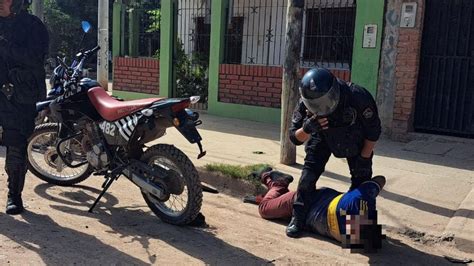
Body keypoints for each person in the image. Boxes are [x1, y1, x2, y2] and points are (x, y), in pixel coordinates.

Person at [286, 68, 382, 237]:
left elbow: (373, 130)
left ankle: (359, 230)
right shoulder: (304, 102)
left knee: (361, 182)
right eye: (315, 105)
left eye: (324, 101)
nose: (321, 107)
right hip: (321, 136)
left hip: (354, 137)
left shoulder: (357, 96)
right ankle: (298, 218)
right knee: (308, 178)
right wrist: (307, 128)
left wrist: (364, 157)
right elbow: (294, 138)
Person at [246, 168, 385, 252]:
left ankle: (276, 194)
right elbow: (380, 179)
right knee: (264, 209)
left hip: (321, 203)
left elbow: (380, 179)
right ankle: (274, 181)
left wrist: (371, 188)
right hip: (305, 200)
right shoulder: (355, 213)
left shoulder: (364, 199)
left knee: (279, 212)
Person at [0, 0, 49, 214]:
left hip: (18, 95)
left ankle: (14, 195)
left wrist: (4, 45)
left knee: (16, 145)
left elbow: (35, 59)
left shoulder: (32, 26)